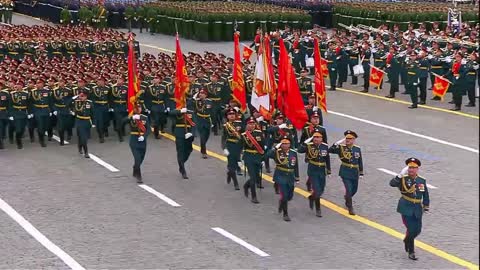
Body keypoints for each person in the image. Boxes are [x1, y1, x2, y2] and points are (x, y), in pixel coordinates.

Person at [389, 158, 430, 261]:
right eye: (410, 167)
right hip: (406, 207)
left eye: (414, 168)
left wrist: (426, 205)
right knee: (411, 229)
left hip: (417, 208)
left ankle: (406, 240)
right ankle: (411, 252)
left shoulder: (421, 180)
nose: (411, 170)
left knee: (418, 230)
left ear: (417, 169)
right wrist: (399, 175)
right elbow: (392, 184)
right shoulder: (403, 178)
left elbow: (425, 194)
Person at [329, 130, 363, 215]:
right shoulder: (341, 148)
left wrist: (361, 172)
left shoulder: (357, 149)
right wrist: (335, 144)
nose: (348, 140)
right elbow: (330, 150)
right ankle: (350, 207)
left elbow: (360, 161)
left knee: (354, 190)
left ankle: (347, 198)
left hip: (354, 172)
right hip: (345, 171)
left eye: (350, 138)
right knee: (348, 189)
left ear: (354, 139)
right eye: (346, 138)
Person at [298, 128, 331, 217]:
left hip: (321, 170)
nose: (316, 139)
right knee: (316, 190)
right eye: (315, 137)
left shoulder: (325, 146)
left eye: (318, 137)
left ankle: (312, 198)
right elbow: (299, 150)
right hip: (313, 170)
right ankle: (318, 208)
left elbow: (327, 158)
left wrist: (328, 170)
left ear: (321, 138)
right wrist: (306, 142)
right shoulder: (309, 146)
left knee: (321, 189)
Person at [268, 136, 299, 222]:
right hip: (280, 175)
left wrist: (297, 177)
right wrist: (275, 148)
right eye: (283, 143)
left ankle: (282, 202)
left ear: (289, 144)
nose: (285, 145)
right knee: (284, 195)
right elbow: (267, 155)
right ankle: (285, 214)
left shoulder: (293, 152)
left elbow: (295, 165)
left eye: (287, 143)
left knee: (289, 196)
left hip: (290, 176)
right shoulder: (277, 152)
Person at [241, 116, 265, 203]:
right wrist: (239, 160)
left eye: (253, 123)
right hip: (248, 157)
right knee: (253, 177)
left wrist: (263, 158)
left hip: (257, 156)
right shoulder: (244, 135)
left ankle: (246, 185)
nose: (252, 125)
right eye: (250, 124)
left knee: (256, 174)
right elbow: (240, 147)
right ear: (246, 125)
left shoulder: (259, 133)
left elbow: (263, 146)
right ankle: (254, 196)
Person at [124, 103, 149, 183]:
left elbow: (148, 129)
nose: (138, 109)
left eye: (139, 107)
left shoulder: (145, 118)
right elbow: (121, 122)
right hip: (134, 141)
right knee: (137, 158)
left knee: (141, 158)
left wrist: (144, 136)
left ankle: (135, 167)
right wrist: (131, 118)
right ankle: (139, 176)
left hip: (142, 141)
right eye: (136, 107)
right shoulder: (131, 118)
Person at [221, 108, 243, 190]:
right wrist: (224, 148)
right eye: (230, 114)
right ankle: (235, 183)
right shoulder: (226, 125)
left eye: (233, 114)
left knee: (237, 162)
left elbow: (244, 135)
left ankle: (229, 173)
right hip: (230, 146)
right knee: (231, 164)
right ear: (227, 116)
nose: (232, 116)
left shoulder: (240, 124)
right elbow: (223, 138)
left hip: (239, 146)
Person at [172, 105, 195, 179]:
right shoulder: (177, 112)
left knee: (189, 150)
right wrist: (180, 111)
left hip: (188, 134)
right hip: (179, 134)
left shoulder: (190, 113)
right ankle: (183, 170)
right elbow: (169, 113)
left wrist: (192, 133)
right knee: (180, 152)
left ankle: (181, 163)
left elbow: (194, 124)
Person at [70, 89, 93, 158]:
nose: (82, 97)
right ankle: (86, 152)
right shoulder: (76, 102)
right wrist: (74, 97)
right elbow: (67, 104)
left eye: (83, 96)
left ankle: (80, 146)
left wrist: (93, 122)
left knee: (82, 137)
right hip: (79, 121)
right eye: (81, 96)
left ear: (86, 96)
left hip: (87, 121)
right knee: (83, 137)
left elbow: (93, 113)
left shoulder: (90, 103)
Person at [193, 88, 213, 159]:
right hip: (200, 120)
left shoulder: (209, 101)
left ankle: (203, 147)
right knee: (202, 136)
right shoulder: (196, 101)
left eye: (203, 94)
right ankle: (204, 152)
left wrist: (213, 121)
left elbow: (212, 112)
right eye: (200, 93)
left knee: (207, 135)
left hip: (207, 120)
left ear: (206, 95)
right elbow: (193, 109)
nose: (201, 95)